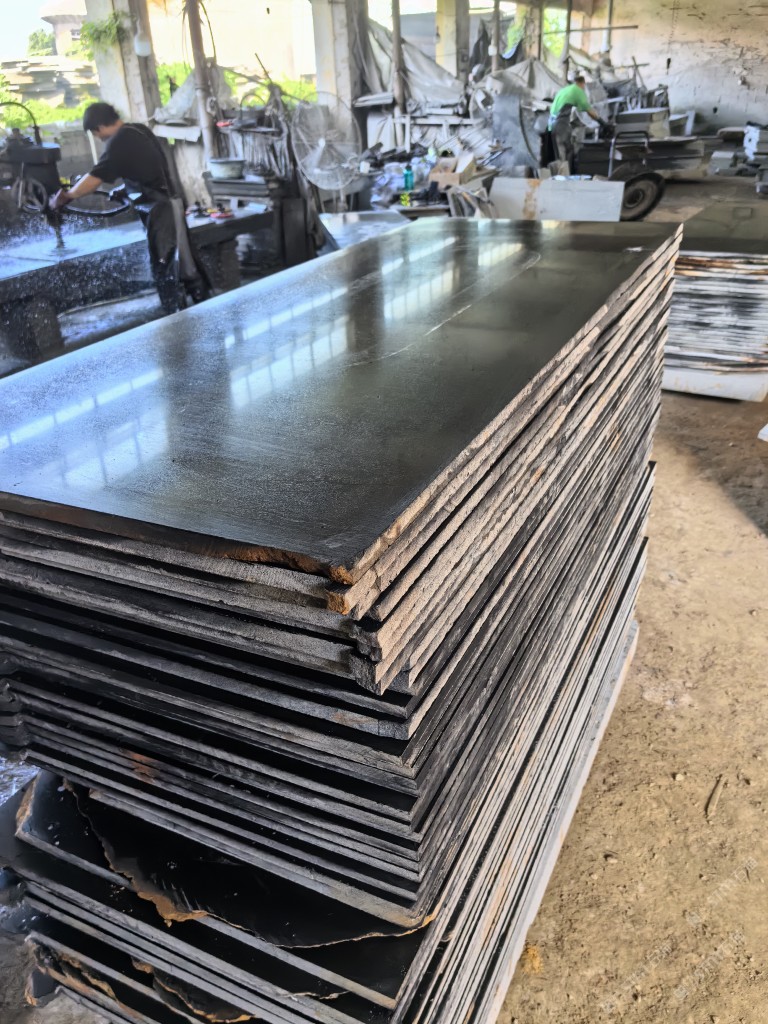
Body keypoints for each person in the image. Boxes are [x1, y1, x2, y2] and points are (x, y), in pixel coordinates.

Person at [51, 102, 210, 313]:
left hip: (163, 209)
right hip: (166, 205)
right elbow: (146, 169)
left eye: (95, 134)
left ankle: (178, 314)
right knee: (180, 260)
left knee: (168, 264)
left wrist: (68, 196)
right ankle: (195, 309)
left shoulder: (120, 140)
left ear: (100, 127)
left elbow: (96, 177)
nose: (98, 138)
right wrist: (125, 190)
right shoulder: (137, 130)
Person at [547, 76, 607, 171]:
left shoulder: (565, 89)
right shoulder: (578, 91)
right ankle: (567, 175)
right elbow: (589, 111)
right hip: (560, 124)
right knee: (566, 153)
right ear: (582, 83)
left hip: (552, 125)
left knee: (560, 154)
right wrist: (602, 122)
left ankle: (563, 174)